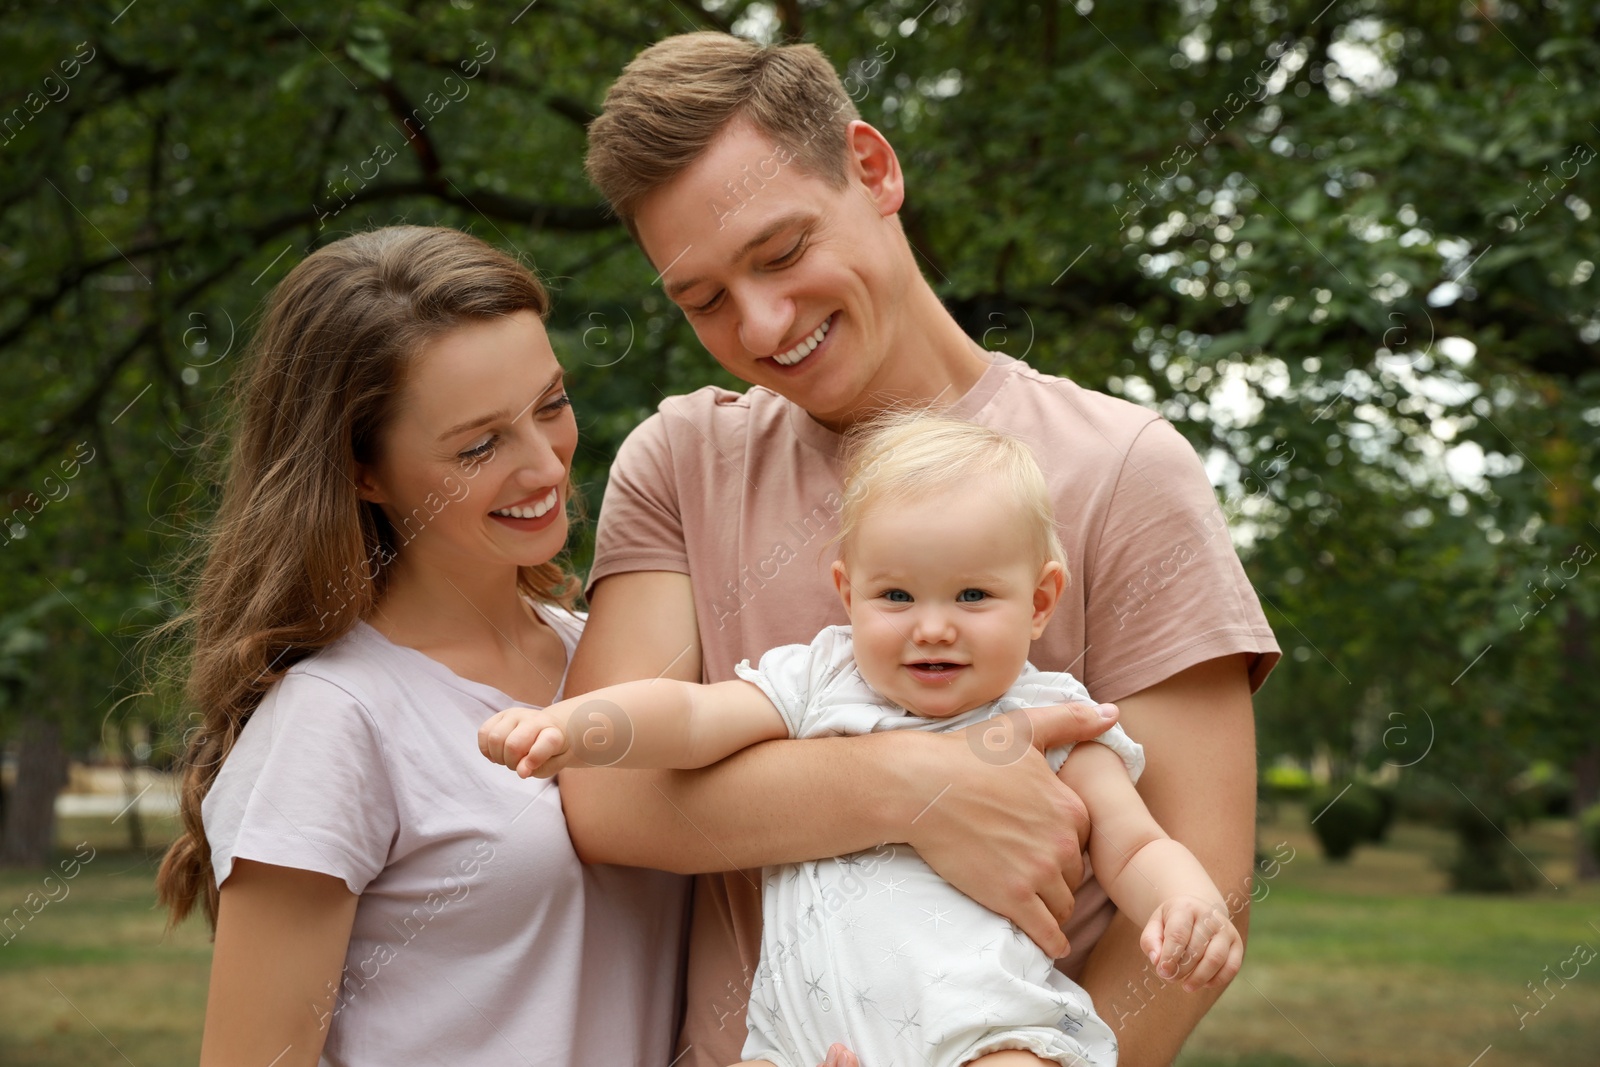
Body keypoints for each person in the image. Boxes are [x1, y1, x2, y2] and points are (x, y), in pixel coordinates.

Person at [563, 31, 1281, 1067]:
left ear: (872, 167)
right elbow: (609, 794)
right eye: (704, 298)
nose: (763, 324)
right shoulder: (680, 462)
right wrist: (914, 786)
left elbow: (1197, 886)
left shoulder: (1125, 468)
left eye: (780, 253)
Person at [482, 415, 1245, 1067]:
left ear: (1041, 600)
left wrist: (1184, 902)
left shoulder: (1058, 720)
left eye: (974, 594)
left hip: (983, 1034)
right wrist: (573, 724)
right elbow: (689, 717)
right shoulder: (819, 681)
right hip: (798, 1038)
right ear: (849, 592)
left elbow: (1136, 846)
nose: (933, 624)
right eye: (897, 595)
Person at [152, 226, 685, 1067]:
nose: (546, 465)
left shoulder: (605, 655)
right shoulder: (334, 721)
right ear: (363, 471)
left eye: (551, 404)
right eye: (480, 444)